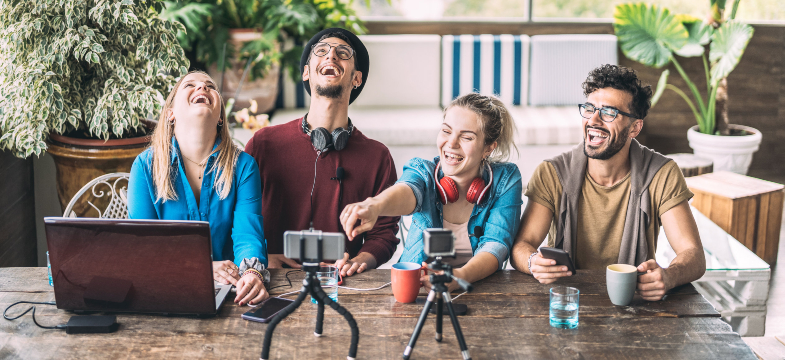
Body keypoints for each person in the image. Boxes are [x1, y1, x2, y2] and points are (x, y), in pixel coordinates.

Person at [510, 64, 705, 301]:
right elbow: (522, 245)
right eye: (589, 108)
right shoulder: (552, 173)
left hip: (633, 303)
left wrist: (669, 276)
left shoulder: (661, 174)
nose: (594, 120)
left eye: (609, 112)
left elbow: (693, 255)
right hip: (566, 301)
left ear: (635, 127)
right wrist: (533, 262)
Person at [245, 28, 400, 277]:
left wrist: (360, 260)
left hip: (340, 284)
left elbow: (384, 234)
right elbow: (240, 217)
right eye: (321, 51)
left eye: (342, 53)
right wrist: (259, 258)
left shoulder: (377, 157)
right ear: (306, 72)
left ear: (357, 79)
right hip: (270, 281)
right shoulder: (263, 143)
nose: (331, 56)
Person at [341, 93, 523, 292]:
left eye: (467, 137)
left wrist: (460, 277)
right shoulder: (423, 171)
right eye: (446, 131)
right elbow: (407, 190)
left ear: (488, 148)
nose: (451, 143)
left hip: (481, 293)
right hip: (416, 291)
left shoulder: (506, 179)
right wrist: (375, 205)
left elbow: (496, 245)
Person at [129, 71, 269, 306]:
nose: (202, 88)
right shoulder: (144, 167)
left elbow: (248, 234)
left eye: (209, 86)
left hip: (230, 296)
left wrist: (252, 274)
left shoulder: (244, 166)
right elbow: (144, 249)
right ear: (171, 113)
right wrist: (200, 268)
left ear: (221, 117)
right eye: (190, 85)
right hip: (163, 293)